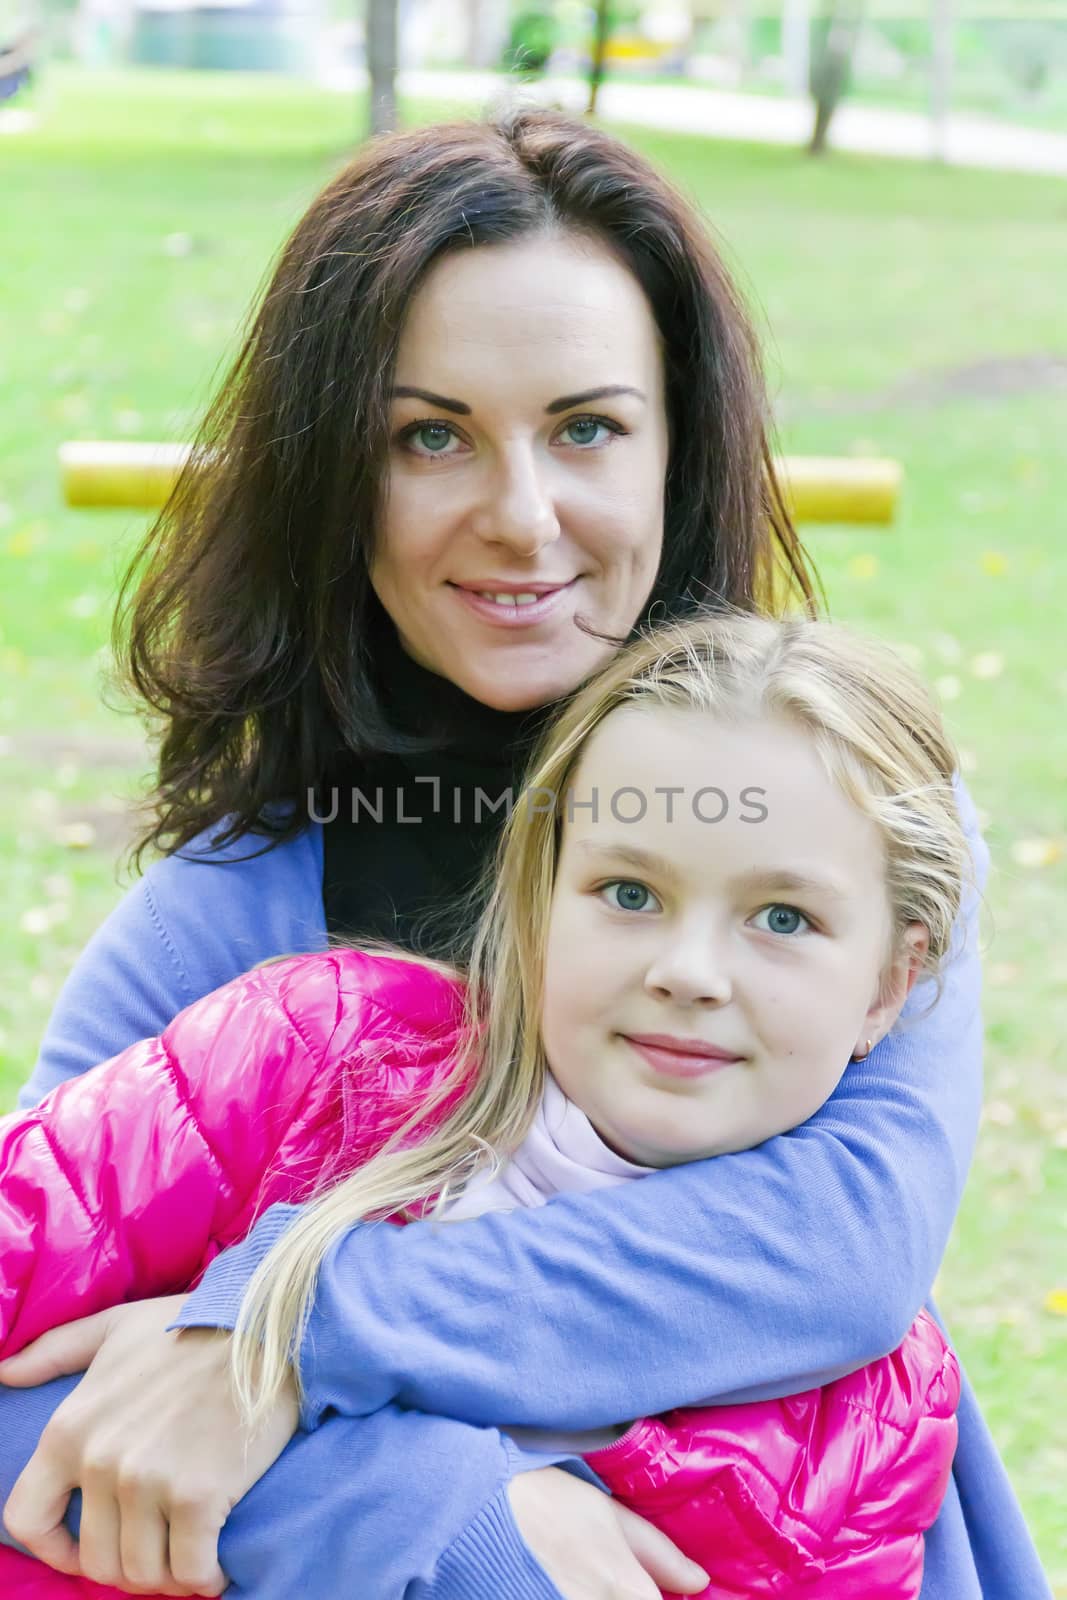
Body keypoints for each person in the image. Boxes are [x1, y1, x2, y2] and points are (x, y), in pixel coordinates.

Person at [0, 107, 1048, 1600]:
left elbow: (834, 1247)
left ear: (679, 448)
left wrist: (287, 1326)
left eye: (586, 428)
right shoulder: (247, 903)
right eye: (429, 436)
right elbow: (28, 1359)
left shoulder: (850, 817)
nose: (520, 515)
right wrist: (438, 1506)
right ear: (331, 480)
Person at [1, 614, 971, 1600]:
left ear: (889, 984)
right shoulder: (308, 1062)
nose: (687, 972)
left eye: (781, 919)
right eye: (629, 892)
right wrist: (415, 1504)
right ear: (535, 898)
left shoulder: (865, 1417)